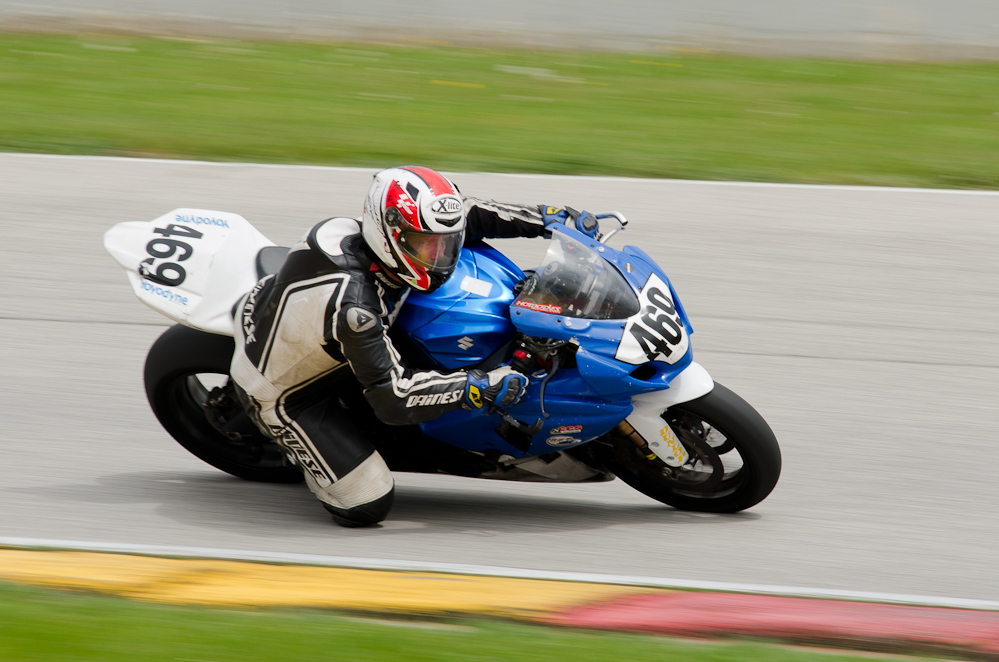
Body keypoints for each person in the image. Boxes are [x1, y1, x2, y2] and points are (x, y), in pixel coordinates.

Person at [230, 166, 588, 527]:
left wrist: (550, 219)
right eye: (424, 245)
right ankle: (304, 449)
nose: (439, 256)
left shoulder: (392, 234)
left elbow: (470, 215)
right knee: (367, 504)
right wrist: (480, 386)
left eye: (446, 244)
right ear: (389, 235)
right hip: (289, 392)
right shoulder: (356, 310)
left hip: (319, 332)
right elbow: (393, 399)